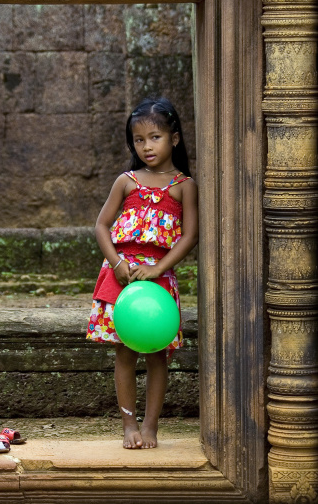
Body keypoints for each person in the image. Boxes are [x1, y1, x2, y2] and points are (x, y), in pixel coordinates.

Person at [86, 97, 198, 449]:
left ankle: (151, 427)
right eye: (139, 139)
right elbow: (102, 226)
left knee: (156, 354)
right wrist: (118, 265)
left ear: (174, 139)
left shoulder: (184, 185)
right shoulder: (127, 181)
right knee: (123, 352)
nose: (147, 146)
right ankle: (128, 425)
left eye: (155, 137)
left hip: (158, 281)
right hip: (121, 276)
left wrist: (158, 268)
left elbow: (190, 235)